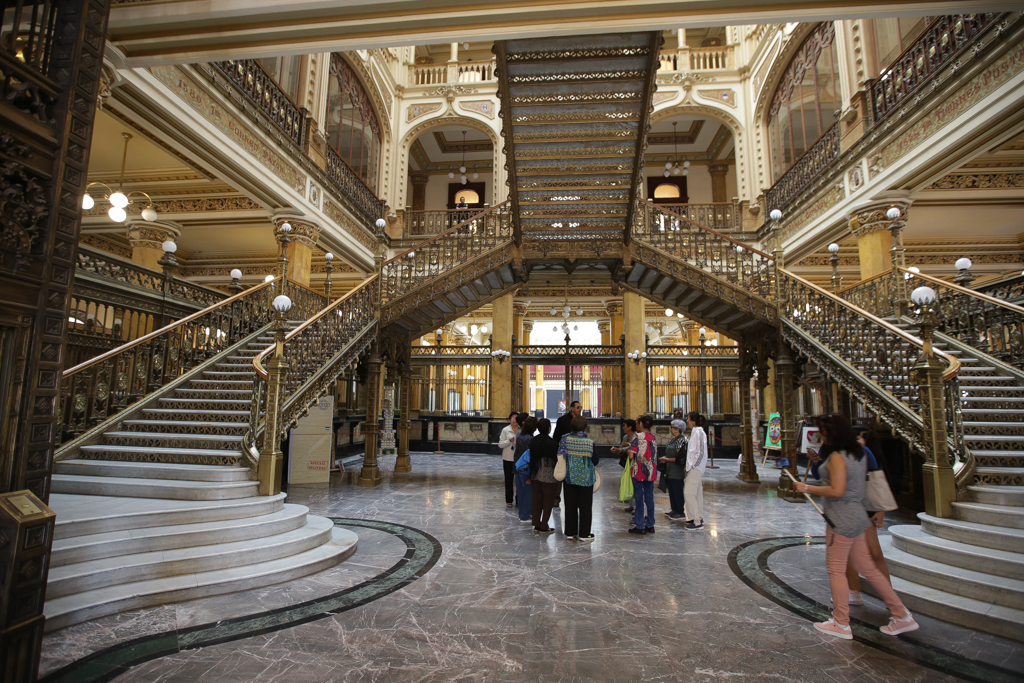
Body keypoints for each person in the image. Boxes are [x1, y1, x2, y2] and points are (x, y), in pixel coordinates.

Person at [795, 414, 918, 639]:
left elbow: (837, 490)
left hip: (842, 520)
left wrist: (806, 488)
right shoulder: (857, 453)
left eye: (823, 431)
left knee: (835, 569)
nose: (820, 435)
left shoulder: (837, 458)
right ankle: (901, 615)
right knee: (869, 569)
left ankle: (841, 622)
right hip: (858, 517)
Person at [846, 430, 891, 605]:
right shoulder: (830, 450)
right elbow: (821, 475)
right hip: (843, 508)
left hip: (863, 506)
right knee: (849, 552)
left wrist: (879, 509)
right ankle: (853, 592)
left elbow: (876, 478)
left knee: (874, 554)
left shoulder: (862, 451)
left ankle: (890, 600)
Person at [559, 415, 598, 541]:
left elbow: (560, 455)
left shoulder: (565, 439)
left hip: (570, 476)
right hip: (586, 479)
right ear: (585, 427)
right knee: (585, 506)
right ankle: (584, 533)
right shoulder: (589, 442)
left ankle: (570, 532)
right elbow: (595, 460)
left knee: (570, 505)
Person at [528, 418, 560, 533]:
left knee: (536, 500)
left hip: (535, 474)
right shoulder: (553, 443)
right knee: (548, 501)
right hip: (549, 475)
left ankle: (536, 523)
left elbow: (530, 459)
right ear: (549, 429)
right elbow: (556, 460)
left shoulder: (533, 441)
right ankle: (544, 524)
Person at [628, 415, 657, 535]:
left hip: (639, 470)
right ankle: (651, 524)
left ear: (640, 424)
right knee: (649, 497)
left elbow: (631, 455)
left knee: (639, 498)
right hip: (650, 470)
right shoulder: (653, 437)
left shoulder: (637, 436)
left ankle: (640, 525)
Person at [683, 412, 708, 531]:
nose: (687, 421)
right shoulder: (695, 432)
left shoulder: (699, 432)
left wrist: (694, 465)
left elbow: (701, 451)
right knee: (697, 493)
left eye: (688, 419)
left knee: (689, 492)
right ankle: (697, 517)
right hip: (693, 466)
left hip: (696, 467)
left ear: (693, 421)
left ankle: (696, 521)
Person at [659, 419, 688, 520]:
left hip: (676, 470)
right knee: (671, 489)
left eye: (672, 427)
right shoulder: (673, 439)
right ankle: (674, 509)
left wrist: (667, 459)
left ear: (677, 429)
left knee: (677, 490)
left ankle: (679, 510)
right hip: (669, 469)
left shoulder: (681, 440)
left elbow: (680, 457)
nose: (671, 429)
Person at [513, 415, 536, 524]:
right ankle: (525, 515)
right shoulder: (530, 439)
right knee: (527, 493)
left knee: (521, 492)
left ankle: (522, 514)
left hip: (518, 468)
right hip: (525, 469)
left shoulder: (520, 436)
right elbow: (530, 457)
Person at [611, 419, 636, 515]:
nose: (623, 428)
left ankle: (635, 506)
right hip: (627, 462)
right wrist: (619, 449)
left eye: (625, 426)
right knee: (628, 482)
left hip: (634, 463)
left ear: (630, 427)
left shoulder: (636, 437)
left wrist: (622, 449)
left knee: (634, 484)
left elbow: (631, 448)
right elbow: (622, 447)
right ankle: (631, 504)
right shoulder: (626, 437)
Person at [498, 412, 519, 509]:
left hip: (519, 458)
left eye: (516, 418)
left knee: (519, 480)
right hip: (508, 458)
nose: (514, 420)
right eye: (512, 418)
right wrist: (509, 441)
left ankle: (519, 499)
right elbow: (500, 444)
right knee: (509, 480)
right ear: (509, 419)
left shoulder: (521, 430)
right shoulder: (505, 430)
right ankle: (509, 500)